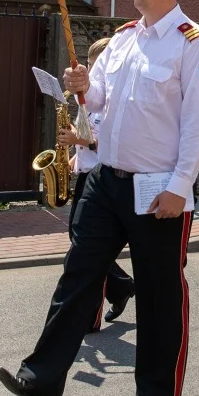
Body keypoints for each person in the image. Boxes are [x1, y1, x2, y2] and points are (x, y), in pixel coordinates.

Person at [0, 0, 199, 396]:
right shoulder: (122, 39)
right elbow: (100, 100)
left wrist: (181, 186)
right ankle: (39, 378)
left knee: (161, 295)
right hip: (106, 180)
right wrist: (84, 85)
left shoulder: (194, 44)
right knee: (78, 277)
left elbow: (198, 125)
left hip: (157, 188)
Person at [57, 37, 135, 331]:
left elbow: (108, 143)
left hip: (102, 177)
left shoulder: (109, 100)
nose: (90, 71)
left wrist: (80, 141)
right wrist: (73, 157)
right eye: (90, 64)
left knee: (84, 248)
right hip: (86, 173)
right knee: (80, 243)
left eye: (94, 65)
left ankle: (94, 312)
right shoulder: (88, 98)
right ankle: (121, 286)